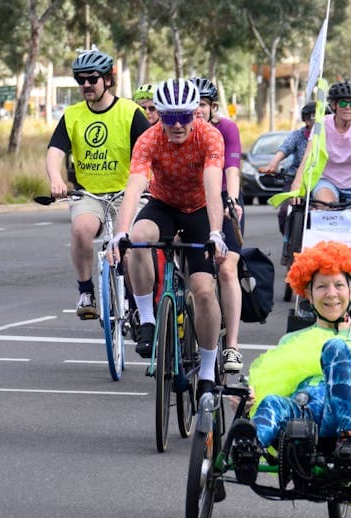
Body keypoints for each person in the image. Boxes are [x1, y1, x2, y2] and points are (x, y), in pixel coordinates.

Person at [227, 241, 351, 484]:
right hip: (307, 410)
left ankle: (348, 442)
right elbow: (274, 381)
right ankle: (249, 449)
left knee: (336, 348)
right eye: (321, 287)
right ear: (308, 294)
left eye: (339, 285)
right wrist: (247, 400)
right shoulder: (292, 338)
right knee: (273, 402)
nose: (331, 294)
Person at [109, 78, 226, 399]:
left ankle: (206, 369)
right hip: (164, 206)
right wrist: (120, 233)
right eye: (169, 116)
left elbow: (214, 187)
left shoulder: (209, 137)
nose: (177, 124)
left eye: (184, 116)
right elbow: (134, 187)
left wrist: (216, 232)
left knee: (203, 292)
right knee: (137, 239)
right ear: (158, 114)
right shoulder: (149, 139)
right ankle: (147, 319)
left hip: (200, 210)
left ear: (195, 115)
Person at [45, 47, 150, 320]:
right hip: (90, 194)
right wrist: (56, 178)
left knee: (129, 251)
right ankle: (86, 291)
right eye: (80, 80)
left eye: (92, 79)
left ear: (108, 79)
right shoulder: (72, 115)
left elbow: (152, 151)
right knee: (81, 229)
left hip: (128, 193)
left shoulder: (130, 112)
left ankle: (141, 308)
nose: (86, 85)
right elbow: (55, 151)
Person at [192, 76, 244, 373]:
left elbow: (232, 168)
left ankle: (233, 346)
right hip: (192, 201)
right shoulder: (179, 128)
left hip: (223, 198)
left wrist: (232, 200)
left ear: (212, 107)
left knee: (226, 268)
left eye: (202, 104)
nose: (197, 110)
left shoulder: (226, 128)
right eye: (193, 104)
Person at [290, 80, 351, 232]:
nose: (348, 108)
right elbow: (309, 155)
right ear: (333, 105)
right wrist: (297, 184)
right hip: (328, 179)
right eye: (343, 103)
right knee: (325, 214)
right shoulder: (321, 125)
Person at [261, 102, 319, 177]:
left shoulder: (330, 135)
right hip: (298, 177)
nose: (320, 122)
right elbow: (286, 147)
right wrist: (273, 164)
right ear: (307, 121)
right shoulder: (298, 135)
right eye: (315, 117)